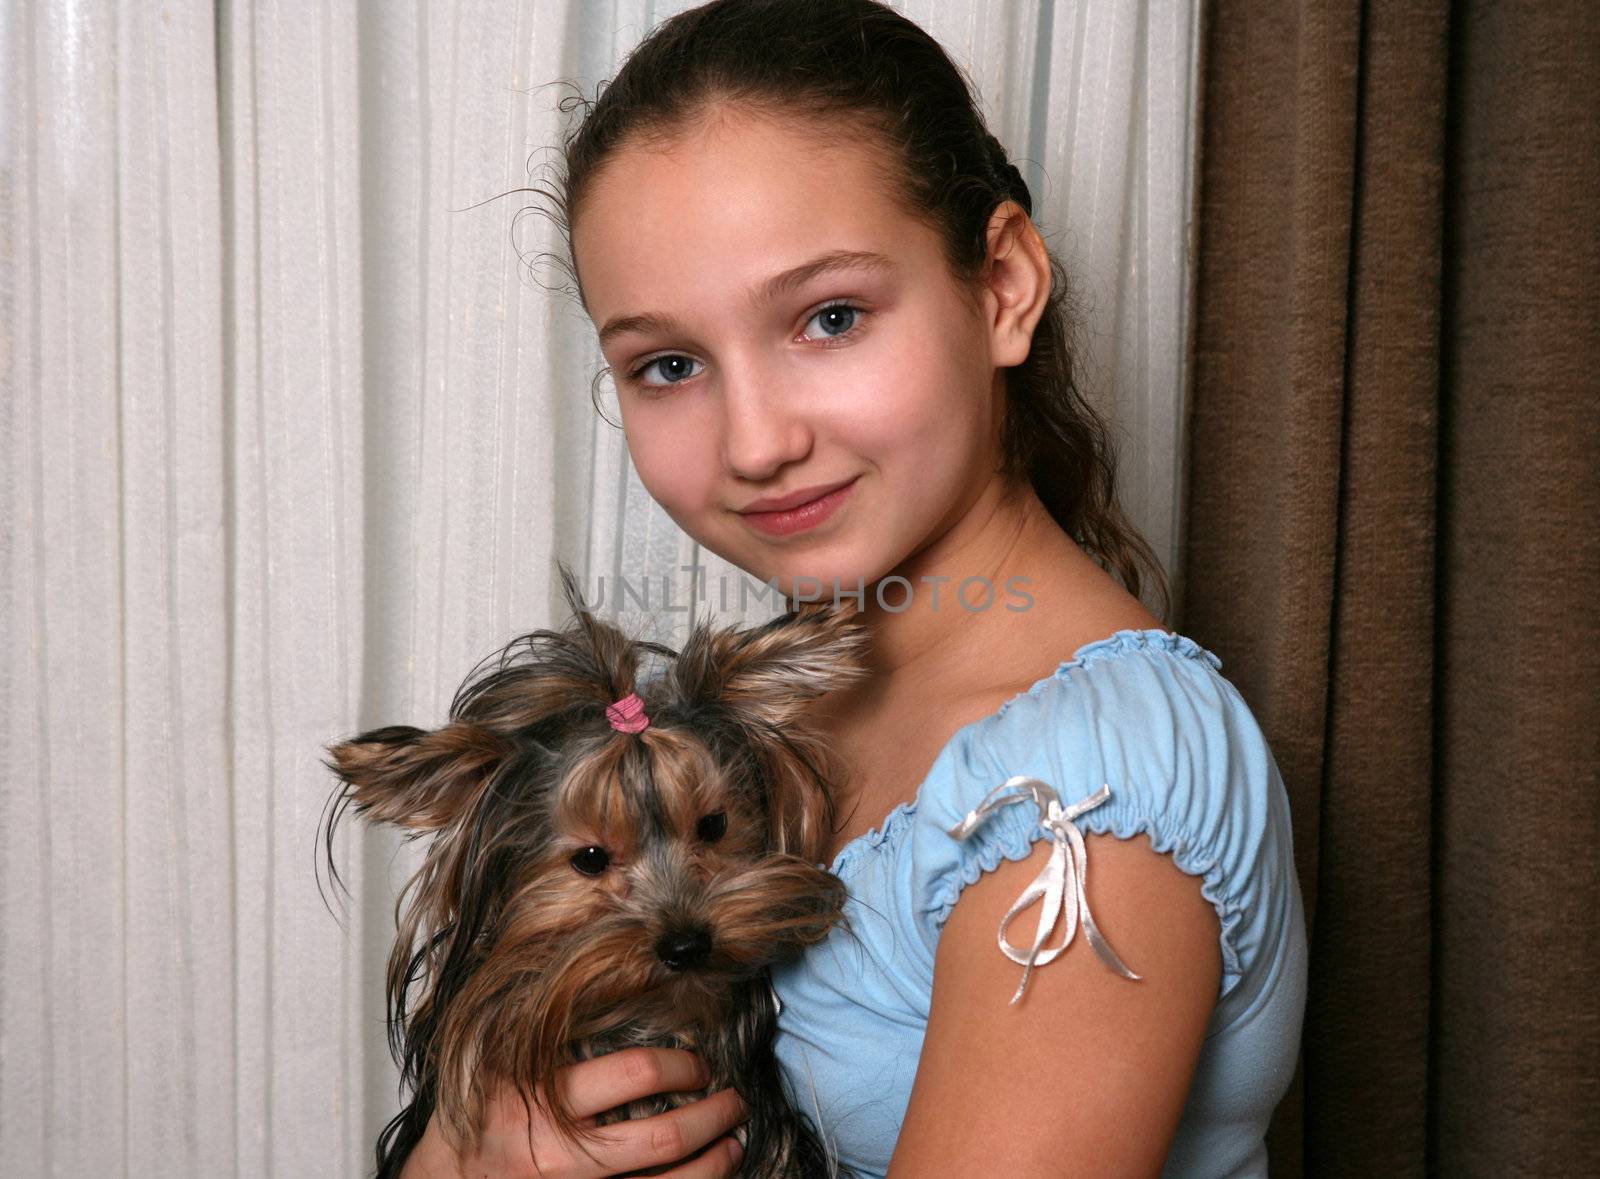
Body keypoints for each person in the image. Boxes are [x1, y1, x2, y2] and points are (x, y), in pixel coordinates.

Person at [399, 0, 1308, 1175]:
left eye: (829, 319)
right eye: (668, 365)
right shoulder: (743, 727)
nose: (757, 440)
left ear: (1002, 287)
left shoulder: (1086, 791)